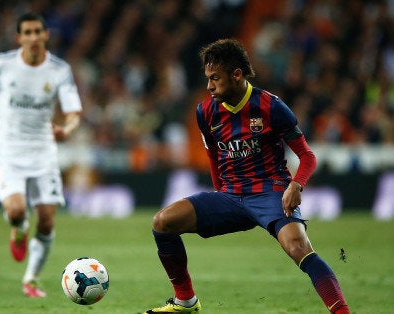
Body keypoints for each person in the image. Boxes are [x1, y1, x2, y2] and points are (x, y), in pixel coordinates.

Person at [144, 39, 350, 313]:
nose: (209, 86)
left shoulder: (271, 107)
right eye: (207, 78)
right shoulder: (205, 111)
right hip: (230, 195)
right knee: (163, 222)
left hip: (270, 192)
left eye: (215, 78)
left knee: (299, 248)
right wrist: (220, 193)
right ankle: (186, 302)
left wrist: (296, 185)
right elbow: (214, 157)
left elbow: (308, 156)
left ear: (237, 74)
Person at [0, 12, 82, 298]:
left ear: (46, 35)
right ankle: (20, 227)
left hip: (43, 152)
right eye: (28, 32)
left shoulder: (59, 70)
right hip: (9, 150)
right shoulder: (3, 65)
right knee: (16, 211)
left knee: (48, 220)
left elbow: (74, 111)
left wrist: (67, 128)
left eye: (39, 31)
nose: (34, 37)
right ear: (19, 38)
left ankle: (31, 279)